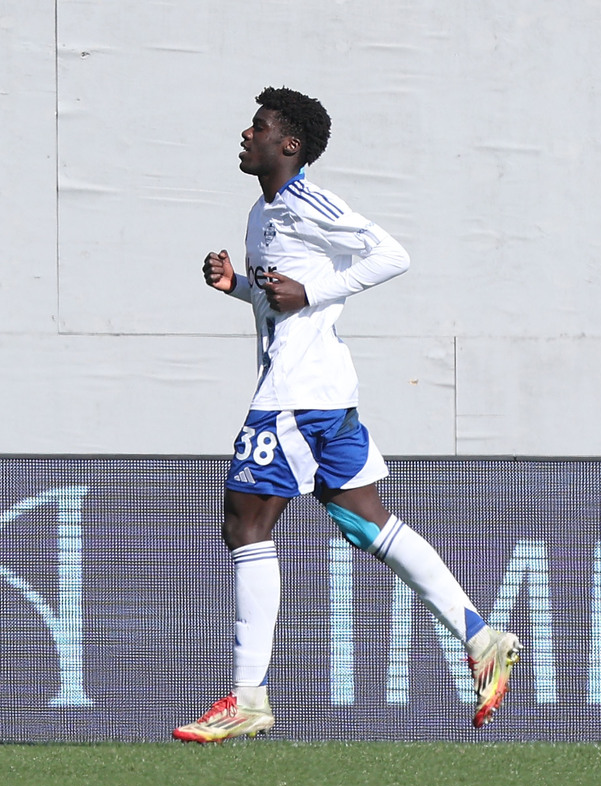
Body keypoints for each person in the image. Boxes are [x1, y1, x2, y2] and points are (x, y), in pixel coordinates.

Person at [172, 87, 521, 743]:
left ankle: (248, 696)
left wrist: (313, 287)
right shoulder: (262, 212)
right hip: (322, 391)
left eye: (260, 126)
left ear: (290, 144)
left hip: (294, 398)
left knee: (245, 524)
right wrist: (239, 288)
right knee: (369, 525)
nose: (246, 134)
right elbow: (284, 302)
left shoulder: (307, 201)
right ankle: (482, 638)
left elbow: (392, 255)